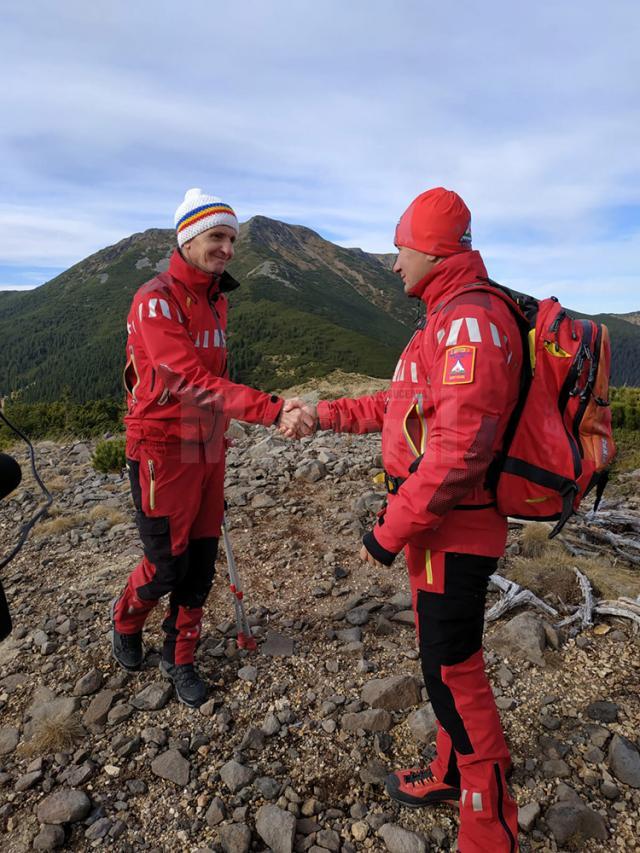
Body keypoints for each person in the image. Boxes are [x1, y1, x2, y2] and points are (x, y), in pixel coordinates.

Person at [290, 188, 521, 852]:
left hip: (454, 530)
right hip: (434, 531)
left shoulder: (468, 325)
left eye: (399, 250)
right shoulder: (444, 316)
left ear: (431, 249)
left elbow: (457, 454)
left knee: (456, 672)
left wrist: (387, 533)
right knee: (438, 660)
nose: (393, 265)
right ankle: (451, 772)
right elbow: (395, 409)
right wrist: (324, 413)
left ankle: (489, 825)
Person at [111, 188, 311, 707]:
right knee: (164, 564)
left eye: (231, 239)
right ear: (188, 237)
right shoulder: (155, 298)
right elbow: (189, 379)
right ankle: (126, 619)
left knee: (200, 563)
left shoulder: (216, 297)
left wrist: (230, 424)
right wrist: (271, 409)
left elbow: (214, 379)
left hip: (207, 443)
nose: (226, 249)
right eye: (217, 237)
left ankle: (180, 656)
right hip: (160, 446)